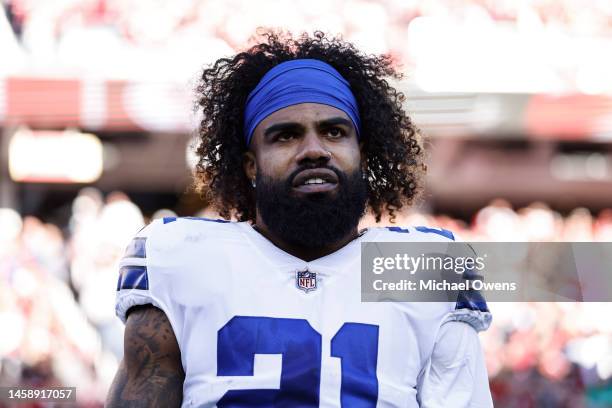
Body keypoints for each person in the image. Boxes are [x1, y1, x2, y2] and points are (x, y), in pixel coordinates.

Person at [106, 31, 493, 407]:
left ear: (362, 153)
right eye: (285, 136)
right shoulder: (179, 257)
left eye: (334, 132)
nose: (314, 150)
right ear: (250, 165)